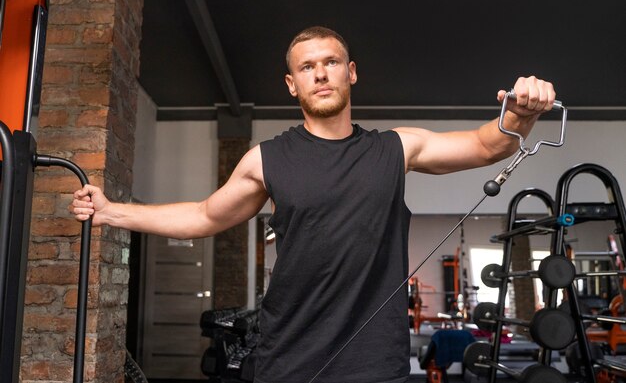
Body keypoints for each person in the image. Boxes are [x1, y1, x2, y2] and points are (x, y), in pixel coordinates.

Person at [71, 26, 556, 383]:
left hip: (375, 363)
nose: (320, 73)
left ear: (351, 72)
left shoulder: (396, 148)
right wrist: (112, 211)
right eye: (307, 66)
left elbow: (487, 145)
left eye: (330, 62)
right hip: (288, 359)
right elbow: (204, 216)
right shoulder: (265, 159)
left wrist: (519, 112)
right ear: (291, 84)